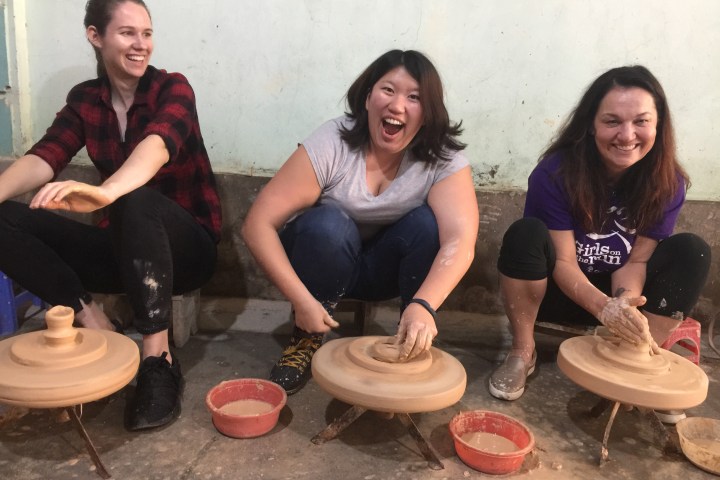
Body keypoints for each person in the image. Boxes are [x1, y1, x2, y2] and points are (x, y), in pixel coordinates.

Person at [0, 0, 221, 430]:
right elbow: (45, 157)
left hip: (188, 251)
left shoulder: (173, 88)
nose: (142, 45)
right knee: (4, 218)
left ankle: (157, 360)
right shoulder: (85, 100)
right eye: (127, 33)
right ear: (95, 36)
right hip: (124, 250)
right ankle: (91, 316)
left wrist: (105, 193)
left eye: (147, 33)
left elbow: (157, 146)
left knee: (133, 198)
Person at [241, 49, 479, 394]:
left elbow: (459, 241)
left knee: (428, 225)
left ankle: (409, 337)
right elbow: (256, 225)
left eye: (414, 97)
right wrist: (302, 302)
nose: (397, 106)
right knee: (328, 224)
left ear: (427, 112)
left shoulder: (442, 158)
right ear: (368, 97)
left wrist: (424, 306)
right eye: (388, 90)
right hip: (321, 264)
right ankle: (305, 339)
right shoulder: (333, 141)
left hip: (382, 271)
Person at [489, 66, 710, 417]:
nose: (627, 135)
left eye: (641, 121)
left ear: (658, 125)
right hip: (556, 293)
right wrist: (602, 307)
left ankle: (637, 357)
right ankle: (522, 351)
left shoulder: (668, 183)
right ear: (591, 124)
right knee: (525, 234)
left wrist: (623, 306)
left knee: (692, 249)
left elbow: (635, 262)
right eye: (612, 121)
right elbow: (563, 261)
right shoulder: (555, 173)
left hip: (614, 293)